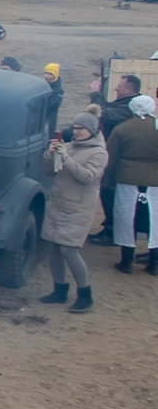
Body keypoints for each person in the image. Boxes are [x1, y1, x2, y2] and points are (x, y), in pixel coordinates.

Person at [39, 112, 107, 311]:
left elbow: (89, 177)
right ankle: (59, 290)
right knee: (52, 247)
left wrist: (66, 158)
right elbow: (49, 172)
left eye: (81, 129)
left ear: (92, 131)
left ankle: (85, 295)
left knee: (69, 249)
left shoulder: (99, 153)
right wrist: (50, 154)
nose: (76, 132)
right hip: (58, 203)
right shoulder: (67, 146)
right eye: (75, 129)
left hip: (78, 207)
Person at [104, 94, 158, 275]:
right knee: (155, 221)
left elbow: (109, 158)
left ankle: (126, 261)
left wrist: (104, 180)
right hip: (155, 181)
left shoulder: (122, 129)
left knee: (126, 220)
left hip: (127, 179)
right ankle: (155, 263)